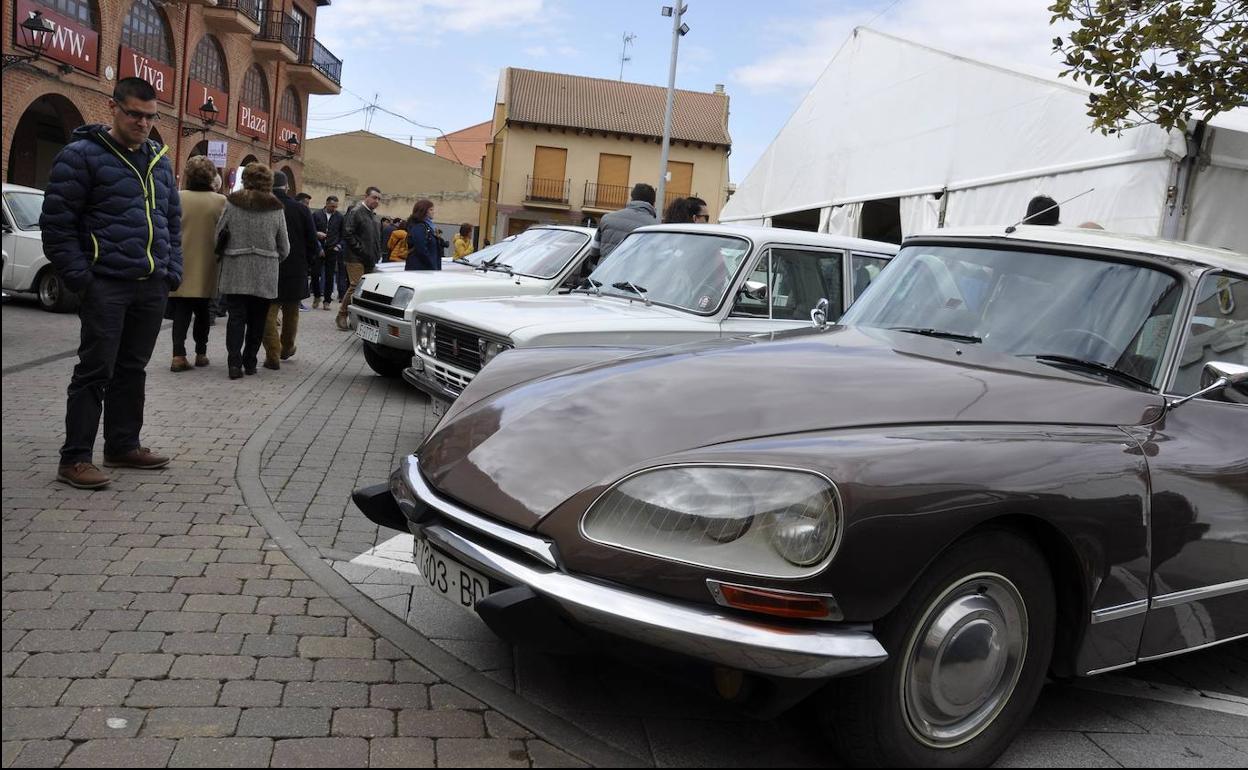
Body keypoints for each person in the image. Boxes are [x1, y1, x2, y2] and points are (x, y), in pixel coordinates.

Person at [40, 76, 183, 489]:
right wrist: (83, 279)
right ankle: (74, 459)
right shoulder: (81, 156)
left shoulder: (159, 158)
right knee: (95, 370)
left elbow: (171, 221)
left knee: (132, 368)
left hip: (150, 283)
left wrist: (170, 271)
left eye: (150, 117)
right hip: (105, 283)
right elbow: (57, 225)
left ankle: (122, 445)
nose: (142, 123)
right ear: (113, 108)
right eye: (134, 114)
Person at [215, 163, 289, 379]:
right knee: (258, 319)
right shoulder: (276, 208)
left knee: (236, 317)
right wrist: (271, 258)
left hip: (236, 268)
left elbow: (218, 235)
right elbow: (284, 247)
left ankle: (233, 363)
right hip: (265, 272)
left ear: (245, 179)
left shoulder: (232, 203)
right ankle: (250, 362)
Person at [169, 156, 226, 373]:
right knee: (203, 311)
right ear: (211, 176)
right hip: (209, 263)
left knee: (181, 312)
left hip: (182, 261)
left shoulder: (177, 197)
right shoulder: (221, 201)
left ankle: (178, 355)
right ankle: (201, 353)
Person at [262, 171, 317, 370]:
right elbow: (312, 240)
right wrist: (308, 263)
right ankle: (287, 347)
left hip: (268, 266)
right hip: (295, 266)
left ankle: (273, 350)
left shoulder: (263, 205)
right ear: (287, 187)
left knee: (268, 312)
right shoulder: (301, 209)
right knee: (292, 312)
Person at [336, 186, 382, 330]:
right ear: (366, 197)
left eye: (379, 199)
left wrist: (377, 253)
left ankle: (358, 317)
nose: (377, 201)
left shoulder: (373, 215)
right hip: (355, 257)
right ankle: (342, 315)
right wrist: (360, 249)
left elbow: (374, 238)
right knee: (355, 286)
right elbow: (347, 234)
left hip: (370, 258)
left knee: (368, 289)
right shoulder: (356, 212)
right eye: (374, 197)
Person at [592, 182, 657, 262]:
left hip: (605, 273)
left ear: (632, 198)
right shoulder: (655, 227)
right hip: (634, 274)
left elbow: (594, 253)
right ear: (653, 203)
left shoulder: (607, 219)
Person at [312, 195, 344, 310]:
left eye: (336, 206)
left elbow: (343, 234)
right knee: (315, 274)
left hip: (332, 249)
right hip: (318, 249)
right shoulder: (316, 215)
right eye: (332, 206)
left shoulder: (340, 217)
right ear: (326, 204)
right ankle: (316, 296)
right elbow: (311, 231)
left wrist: (339, 246)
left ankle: (327, 301)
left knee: (330, 276)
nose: (334, 209)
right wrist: (318, 242)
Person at [405, 199, 441, 271]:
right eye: (431, 210)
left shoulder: (428, 226)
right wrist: (432, 266)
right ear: (423, 211)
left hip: (425, 268)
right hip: (421, 270)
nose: (433, 212)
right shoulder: (419, 227)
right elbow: (422, 250)